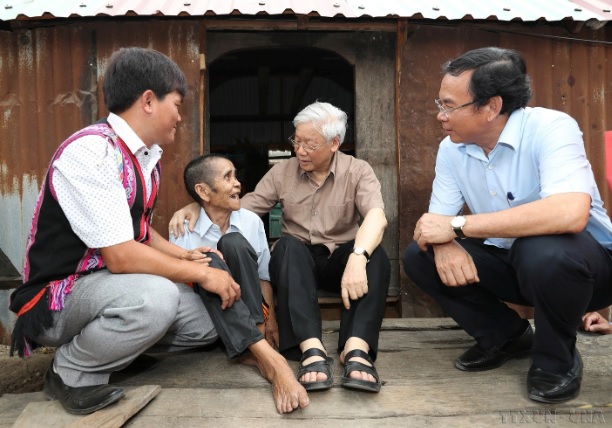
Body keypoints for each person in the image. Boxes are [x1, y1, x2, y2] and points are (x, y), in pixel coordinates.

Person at [9, 47, 308, 415]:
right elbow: (121, 256)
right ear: (148, 101)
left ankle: (119, 354)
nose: (180, 117)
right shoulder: (92, 152)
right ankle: (70, 371)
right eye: (177, 104)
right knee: (157, 298)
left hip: (107, 289)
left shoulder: (144, 158)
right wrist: (199, 273)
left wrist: (187, 256)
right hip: (60, 297)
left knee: (211, 316)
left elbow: (141, 232)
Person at [402, 47, 612, 404]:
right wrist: (444, 240)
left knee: (540, 247)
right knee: (418, 256)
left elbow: (570, 213)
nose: (440, 115)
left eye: (449, 106)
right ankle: (507, 336)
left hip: (588, 273)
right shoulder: (452, 150)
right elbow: (436, 224)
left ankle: (555, 362)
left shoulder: (551, 128)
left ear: (491, 107)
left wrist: (455, 227)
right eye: (440, 103)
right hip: (517, 268)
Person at [170, 101, 390, 392]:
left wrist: (358, 257)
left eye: (309, 145)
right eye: (296, 141)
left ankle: (356, 349)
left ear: (334, 143)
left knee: (377, 256)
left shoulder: (357, 170)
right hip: (298, 266)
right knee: (286, 247)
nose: (299, 150)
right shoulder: (282, 172)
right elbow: (238, 207)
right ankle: (311, 350)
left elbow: (377, 216)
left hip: (342, 261)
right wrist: (199, 204)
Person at [170, 153, 282, 358]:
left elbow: (263, 277)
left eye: (236, 176)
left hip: (252, 311)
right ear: (203, 191)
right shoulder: (183, 228)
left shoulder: (251, 222)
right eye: (228, 177)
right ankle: (252, 345)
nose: (238, 183)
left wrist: (271, 322)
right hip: (210, 314)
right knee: (210, 259)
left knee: (234, 242)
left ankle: (256, 335)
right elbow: (178, 283)